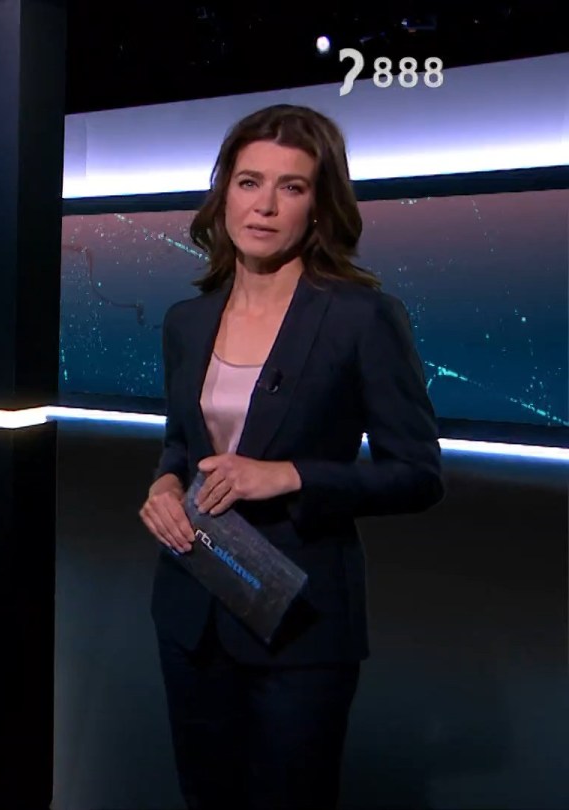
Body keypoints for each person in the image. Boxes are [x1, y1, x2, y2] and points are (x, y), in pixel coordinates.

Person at [138, 104, 445, 810]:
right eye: (249, 182)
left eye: (292, 187)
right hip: (191, 608)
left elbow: (418, 474)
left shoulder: (362, 317)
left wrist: (290, 476)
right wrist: (163, 485)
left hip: (300, 622)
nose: (266, 206)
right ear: (224, 195)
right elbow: (182, 441)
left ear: (319, 204)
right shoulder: (187, 321)